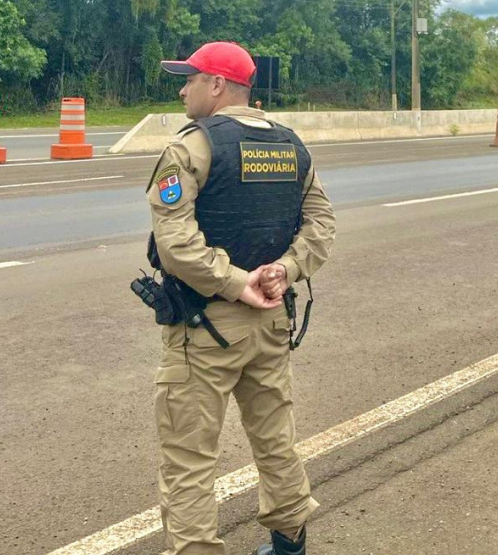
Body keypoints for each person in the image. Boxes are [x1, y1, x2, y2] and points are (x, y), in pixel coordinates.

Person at [146, 41, 336, 555]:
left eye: (189, 78)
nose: (183, 89)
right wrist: (286, 269)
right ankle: (290, 539)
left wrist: (235, 284)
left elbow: (177, 244)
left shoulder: (192, 146)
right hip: (273, 318)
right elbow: (321, 224)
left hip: (206, 324)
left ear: (217, 84)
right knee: (275, 436)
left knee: (189, 457)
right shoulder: (292, 145)